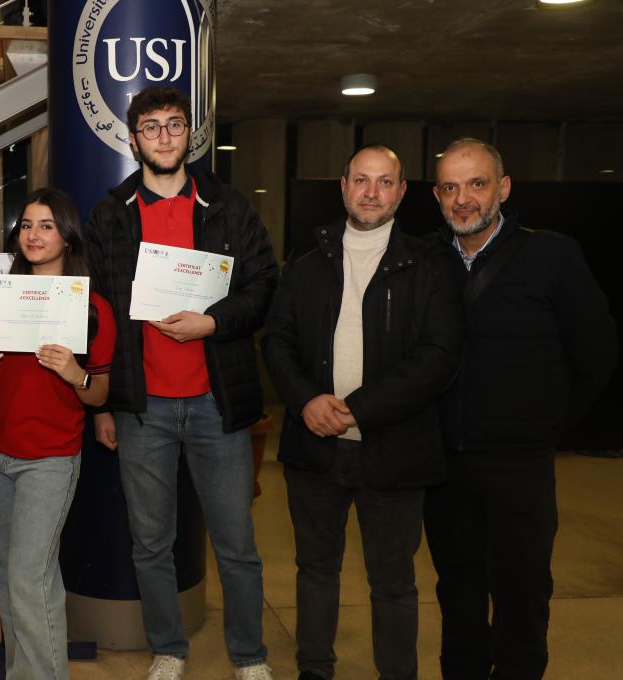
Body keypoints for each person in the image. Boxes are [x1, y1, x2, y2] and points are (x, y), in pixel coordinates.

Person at [85, 85, 278, 680]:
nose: (164, 136)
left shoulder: (229, 206)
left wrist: (212, 322)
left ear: (189, 133)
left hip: (216, 403)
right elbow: (98, 312)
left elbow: (263, 285)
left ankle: (249, 655)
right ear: (133, 138)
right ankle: (168, 647)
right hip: (141, 408)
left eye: (174, 124)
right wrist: (102, 404)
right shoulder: (111, 214)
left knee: (236, 543)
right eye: (151, 126)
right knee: (150, 543)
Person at [260, 144, 464, 680]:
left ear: (401, 192)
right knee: (315, 571)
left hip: (395, 451)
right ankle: (314, 669)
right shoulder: (307, 259)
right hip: (315, 448)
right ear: (344, 187)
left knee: (393, 583)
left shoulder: (429, 264)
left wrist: (357, 409)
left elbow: (438, 357)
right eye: (361, 180)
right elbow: (277, 339)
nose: (371, 192)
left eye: (384, 181)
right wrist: (306, 400)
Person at [423, 138, 618, 680]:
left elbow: (597, 353)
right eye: (450, 187)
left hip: (520, 465)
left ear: (503, 188)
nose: (463, 198)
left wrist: (548, 425)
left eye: (477, 183)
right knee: (457, 589)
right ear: (437, 196)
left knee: (522, 591)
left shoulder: (551, 256)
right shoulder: (424, 259)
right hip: (444, 464)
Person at [0, 188, 115, 680]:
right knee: (1, 571)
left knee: (29, 579)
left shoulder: (91, 308)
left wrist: (76, 374)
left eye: (47, 226)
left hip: (49, 459)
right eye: (27, 225)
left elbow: (99, 394)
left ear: (68, 237)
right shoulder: (0, 297)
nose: (33, 235)